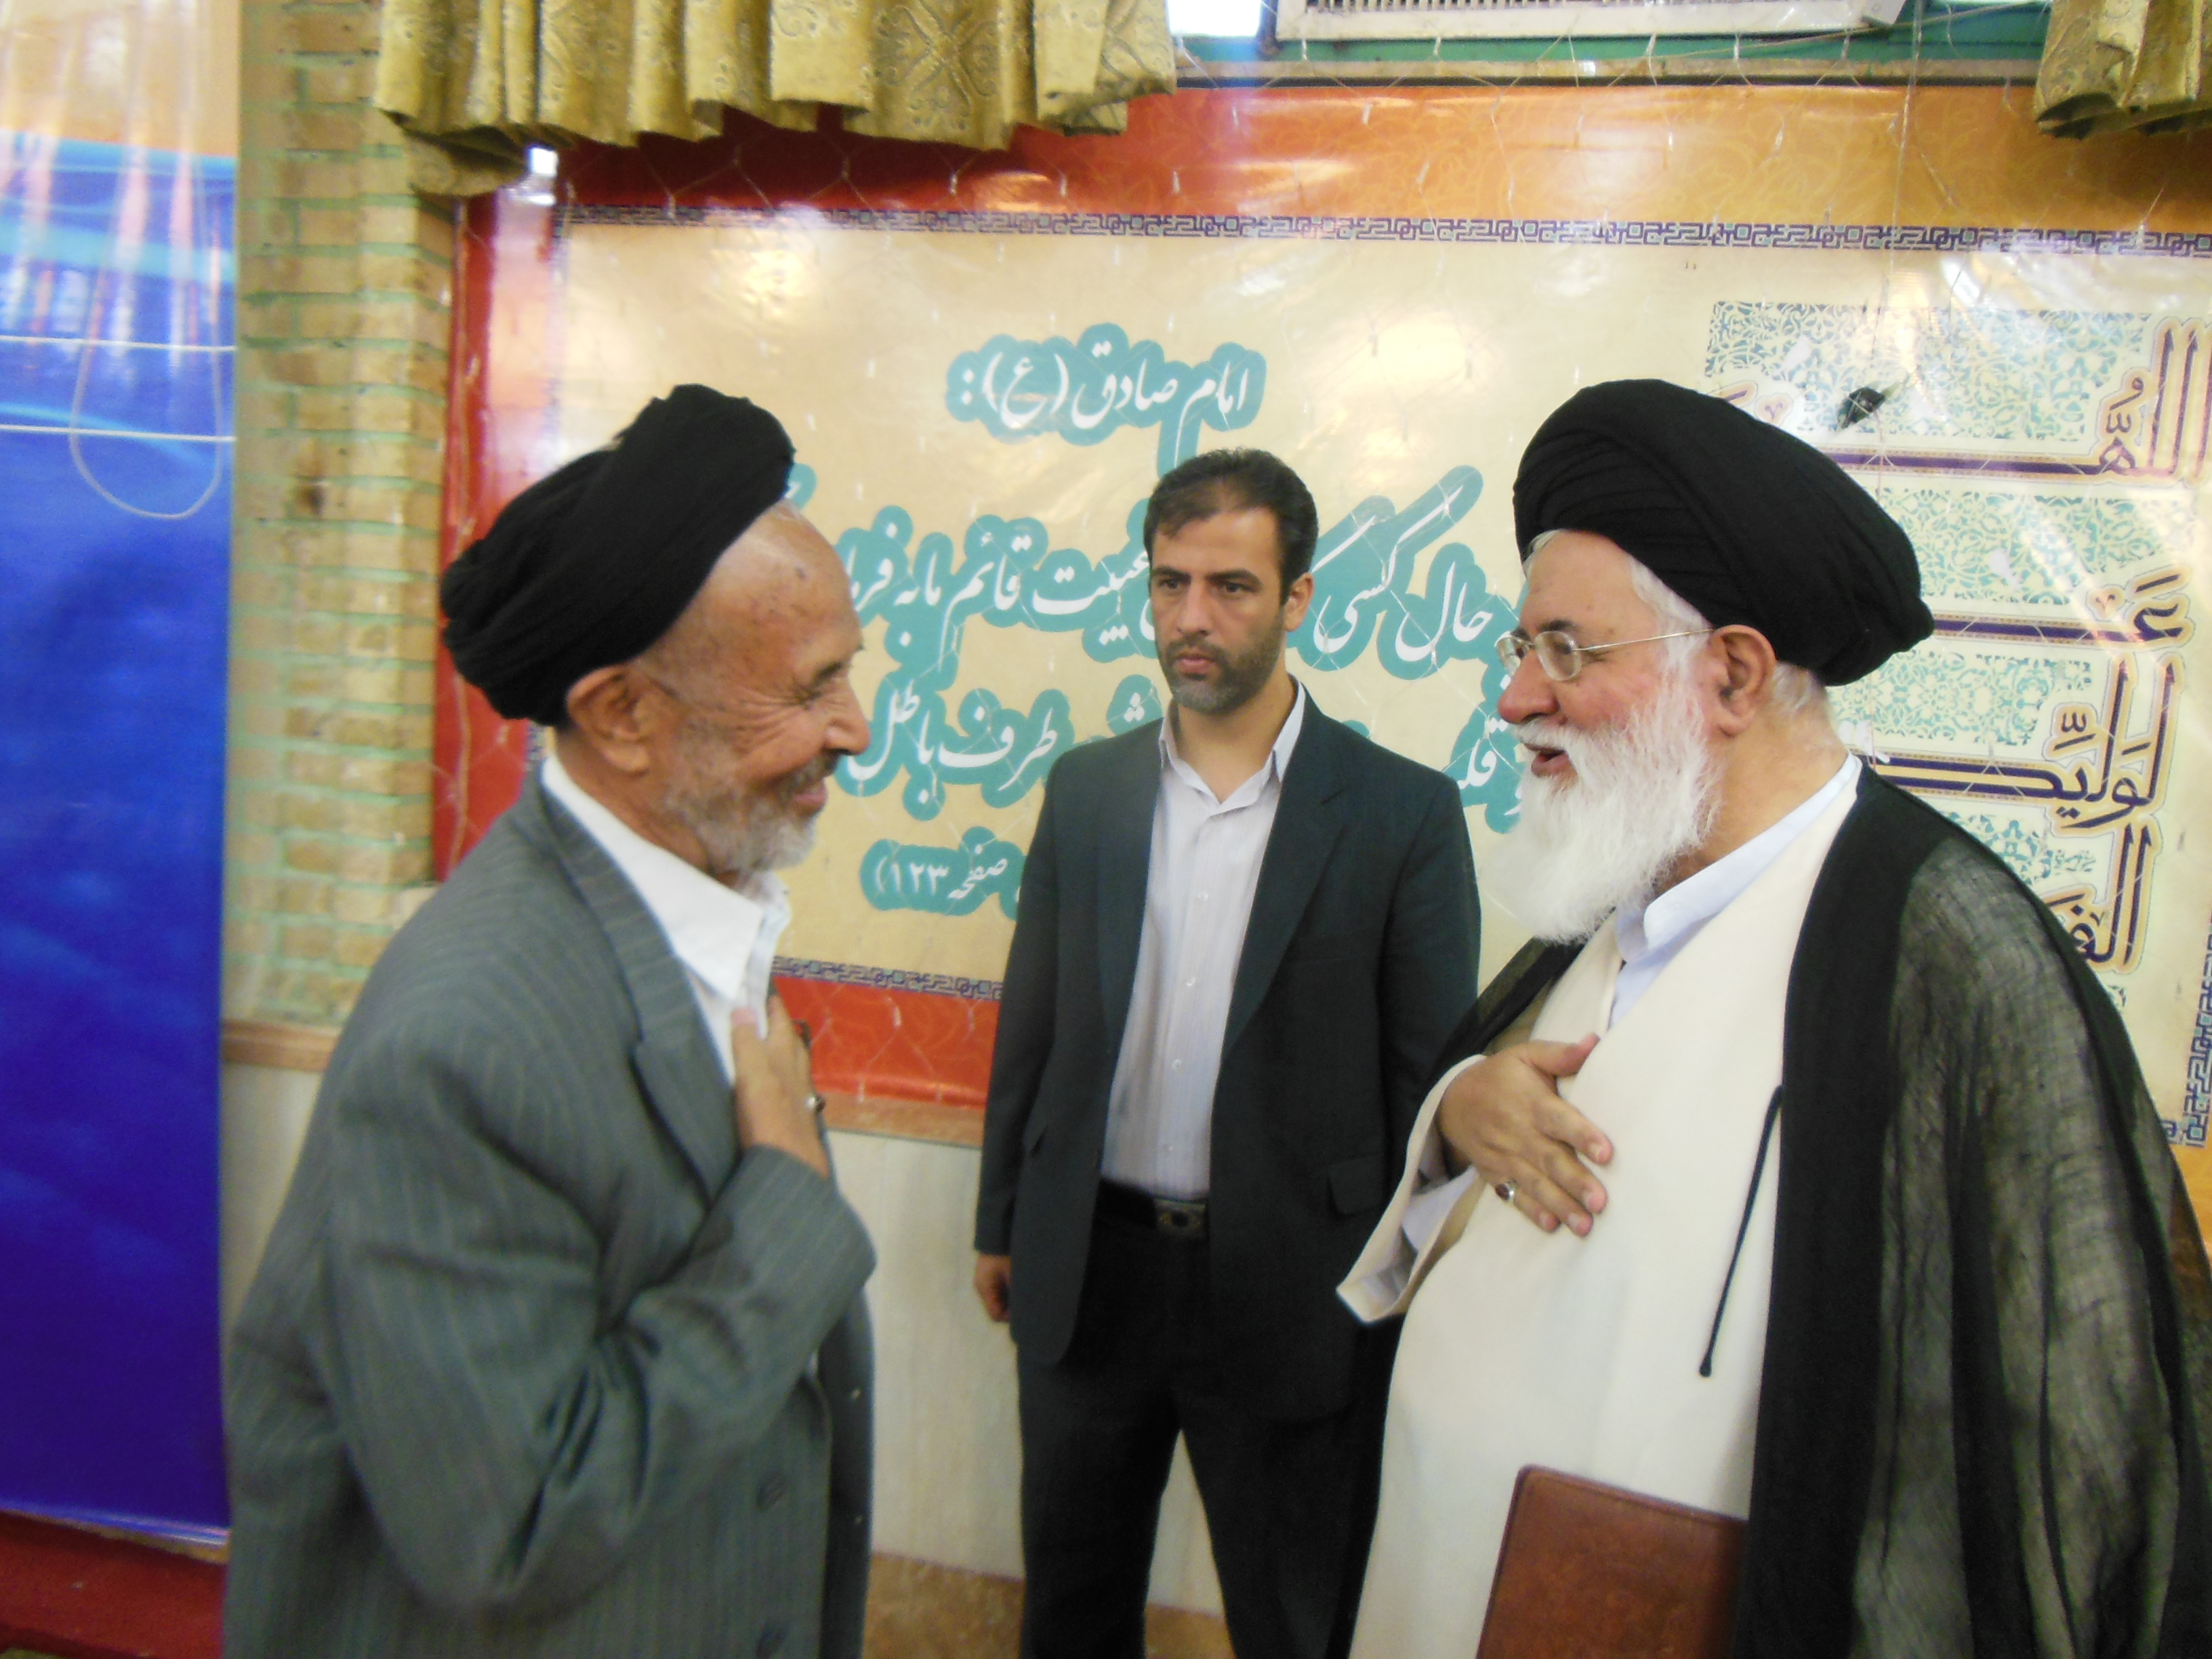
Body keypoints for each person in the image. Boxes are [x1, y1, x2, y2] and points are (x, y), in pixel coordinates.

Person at [1338, 378, 2212, 1658]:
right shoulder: (1616, 890)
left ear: (1736, 674)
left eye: (1566, 652)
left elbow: (2073, 1405)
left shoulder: (1948, 949)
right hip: (1435, 1586)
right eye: (1522, 651)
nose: (1517, 699)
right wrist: (1459, 1114)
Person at [224, 386, 879, 1659]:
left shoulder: (702, 908)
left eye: (848, 670)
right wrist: (785, 1215)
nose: (854, 729)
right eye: (811, 689)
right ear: (624, 716)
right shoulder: (464, 1043)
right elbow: (507, 1530)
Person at [973, 448, 1481, 1659]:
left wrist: (1402, 1292)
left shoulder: (1401, 814)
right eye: (1171, 583)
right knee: (1070, 1614)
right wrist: (1001, 1220)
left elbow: (1425, 1088)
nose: (1191, 618)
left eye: (1232, 587)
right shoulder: (1087, 791)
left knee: (1291, 1624)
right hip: (1089, 1270)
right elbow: (1033, 1023)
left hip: (1291, 1288)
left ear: (1297, 598)